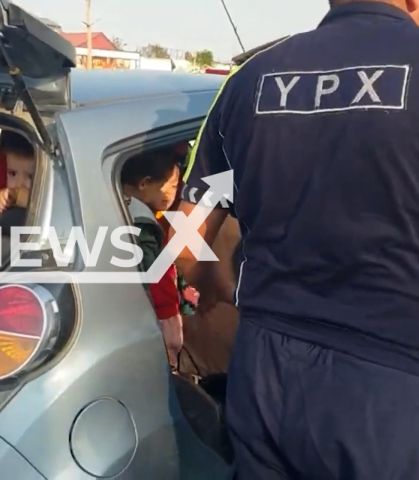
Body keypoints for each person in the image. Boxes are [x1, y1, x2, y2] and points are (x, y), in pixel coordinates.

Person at [172, 1, 419, 479]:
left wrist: (218, 284)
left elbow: (184, 239)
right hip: (392, 380)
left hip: (265, 374)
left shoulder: (250, 80)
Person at [122, 148, 185, 367]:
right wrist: (171, 329)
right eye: (173, 185)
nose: (176, 194)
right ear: (144, 183)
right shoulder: (143, 222)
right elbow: (155, 277)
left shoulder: (116, 202)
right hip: (154, 320)